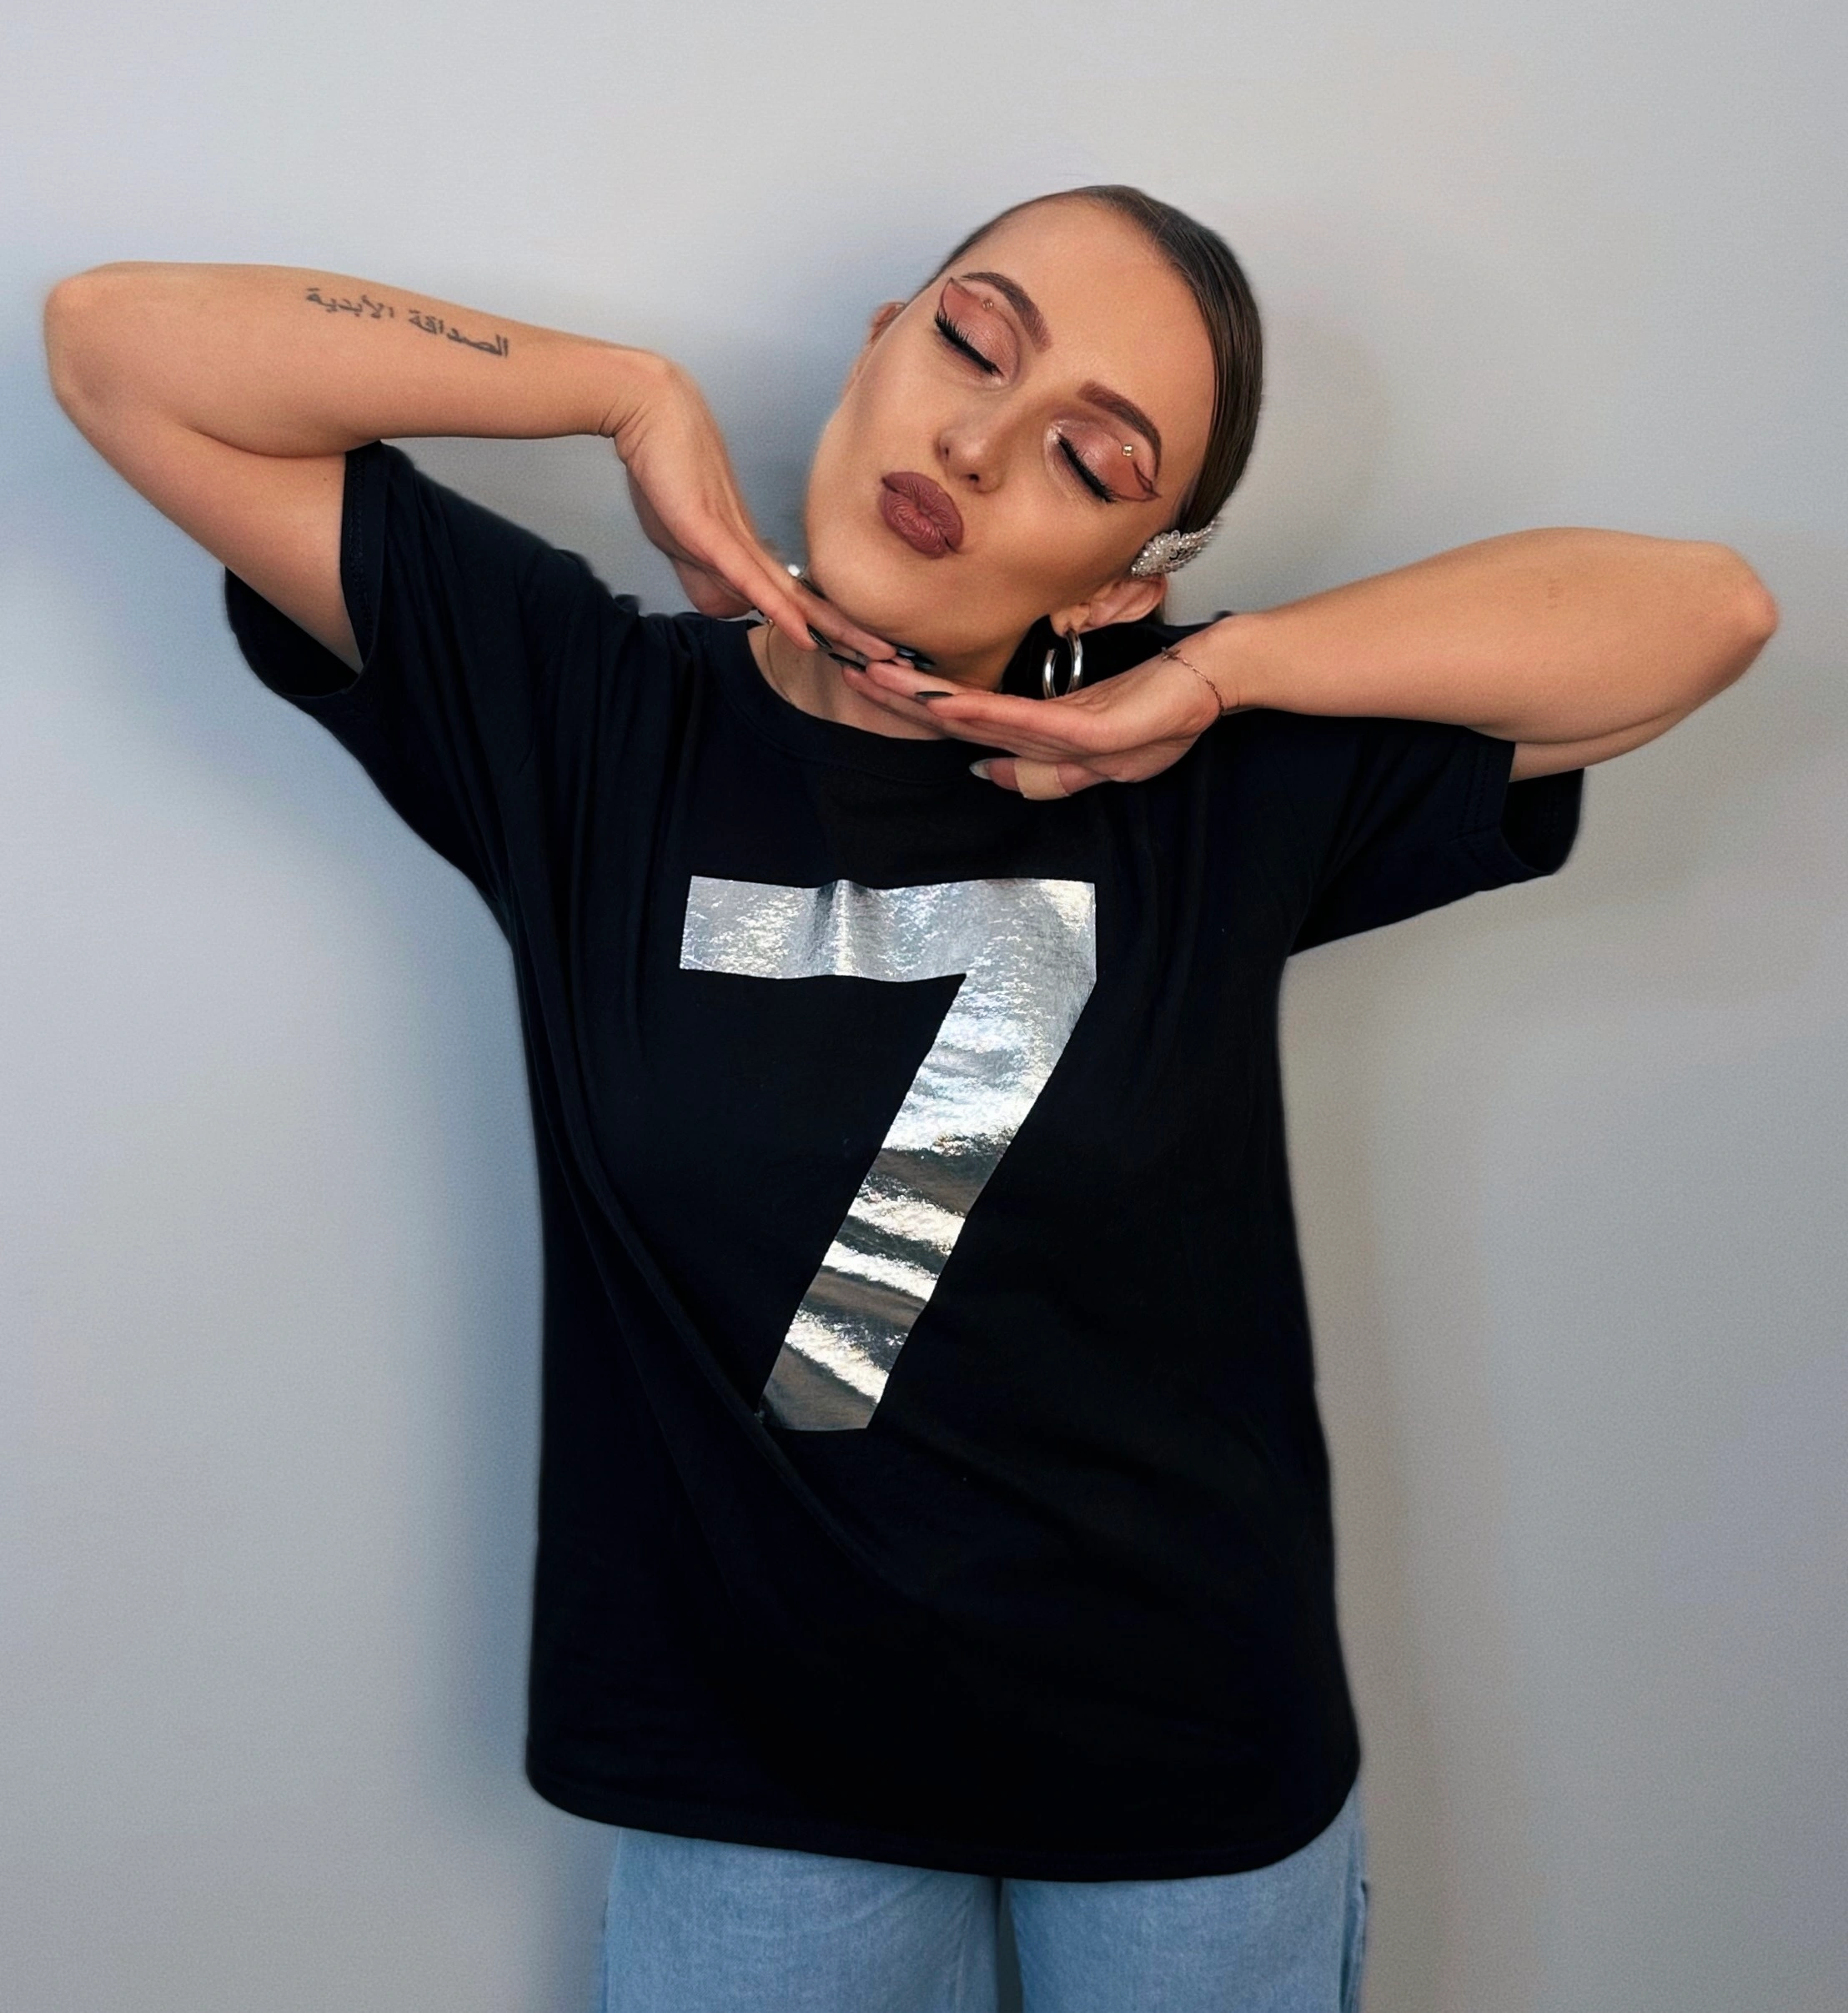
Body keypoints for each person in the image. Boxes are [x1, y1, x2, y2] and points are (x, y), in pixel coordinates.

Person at [43, 187, 1775, 2013]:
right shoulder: (584, 714)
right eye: (970, 341)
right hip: (759, 1771)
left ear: (1119, 573)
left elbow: (1704, 614)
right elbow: (118, 343)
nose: (978, 442)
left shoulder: (1208, 774)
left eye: (1091, 458)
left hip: (1181, 1757)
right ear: (881, 338)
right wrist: (626, 391)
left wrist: (1218, 670)